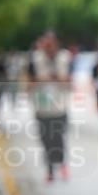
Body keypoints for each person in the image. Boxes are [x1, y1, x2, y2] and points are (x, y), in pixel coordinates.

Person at [28, 33, 73, 182]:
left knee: (58, 138)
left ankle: (62, 165)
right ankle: (50, 170)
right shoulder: (35, 59)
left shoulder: (64, 58)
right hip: (42, 107)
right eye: (45, 45)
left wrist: (60, 79)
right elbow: (29, 82)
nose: (48, 48)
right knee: (45, 140)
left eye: (51, 44)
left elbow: (71, 82)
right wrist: (40, 81)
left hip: (59, 106)